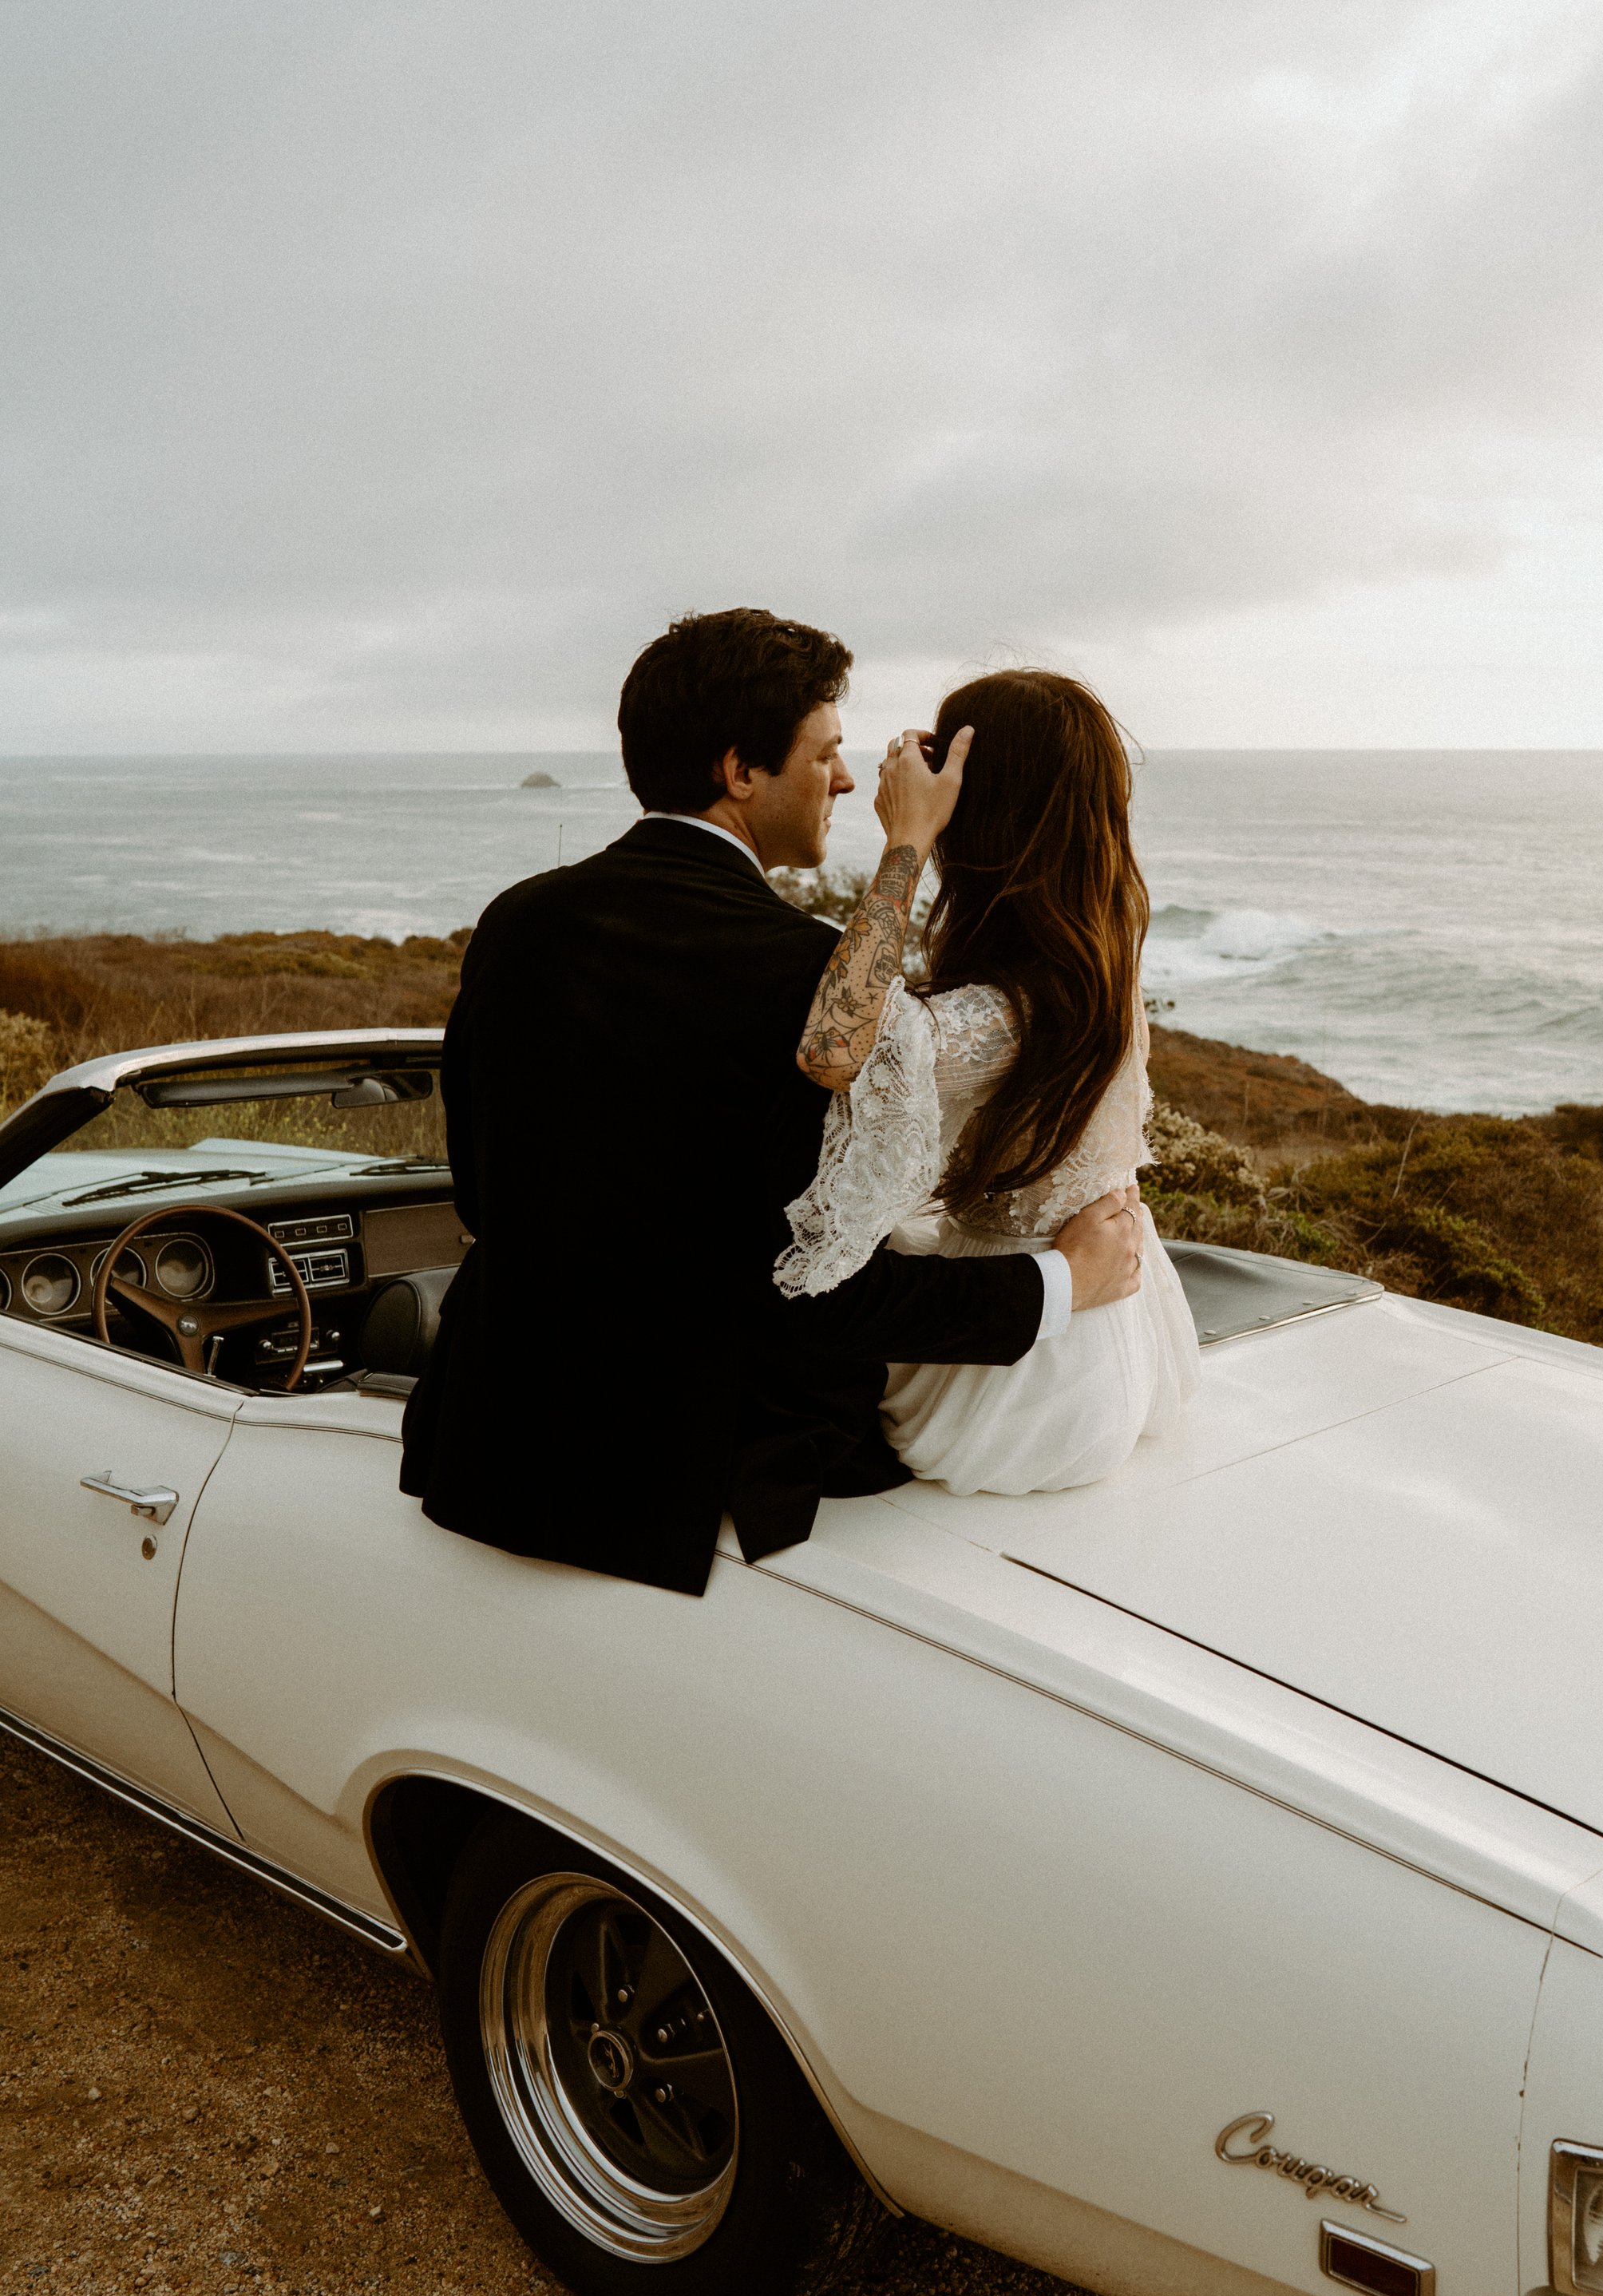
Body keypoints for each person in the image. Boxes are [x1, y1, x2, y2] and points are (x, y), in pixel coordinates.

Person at [399, 610, 1143, 1595]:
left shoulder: (517, 920)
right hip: (670, 1484)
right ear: (740, 771)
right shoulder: (802, 978)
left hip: (490, 1441)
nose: (846, 781)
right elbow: (816, 1296)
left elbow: (492, 1199)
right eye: (828, 754)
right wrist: (1064, 1285)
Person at [775, 669, 1199, 1494]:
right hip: (1115, 1330)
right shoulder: (1093, 956)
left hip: (1018, 1384)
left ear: (983, 808)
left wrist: (906, 841)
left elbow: (831, 1046)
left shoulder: (1007, 1011)